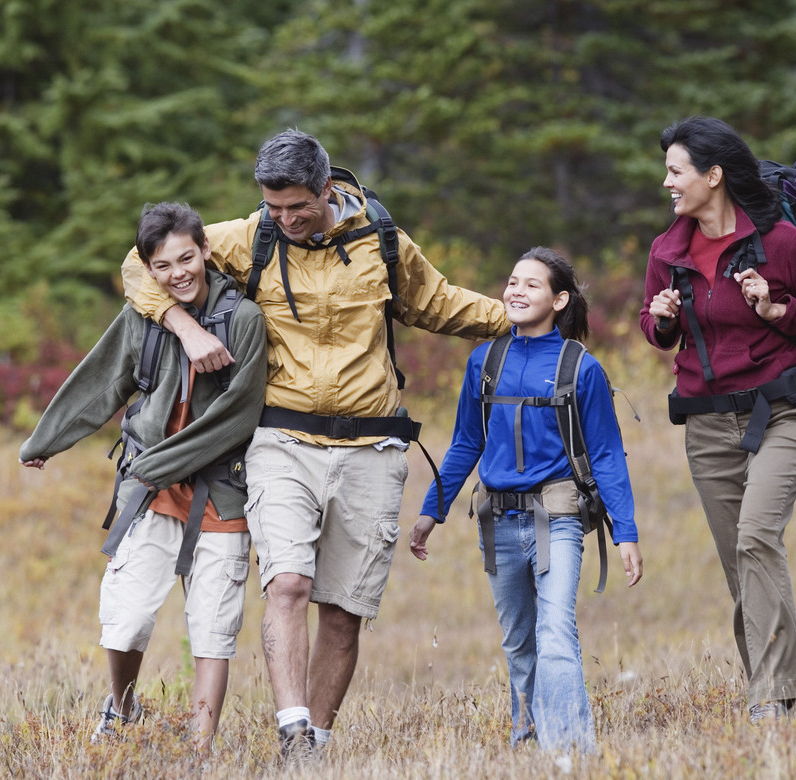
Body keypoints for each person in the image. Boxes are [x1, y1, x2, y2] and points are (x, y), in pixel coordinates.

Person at [119, 129, 510, 759]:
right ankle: (291, 724)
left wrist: (523, 318)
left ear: (327, 190)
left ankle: (315, 747)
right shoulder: (254, 237)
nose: (286, 219)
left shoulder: (382, 242)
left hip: (373, 448)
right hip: (281, 439)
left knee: (342, 609)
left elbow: (442, 304)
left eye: (297, 207)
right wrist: (184, 325)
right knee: (288, 584)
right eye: (274, 208)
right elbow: (141, 262)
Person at [19, 202, 267, 754]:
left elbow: (240, 413)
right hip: (151, 498)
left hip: (220, 494)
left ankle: (200, 750)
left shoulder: (244, 320)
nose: (179, 272)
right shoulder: (144, 317)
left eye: (187, 258)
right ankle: (123, 709)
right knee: (125, 619)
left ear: (206, 251)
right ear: (148, 270)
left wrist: (158, 464)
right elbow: (102, 378)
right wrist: (46, 441)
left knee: (213, 630)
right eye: (163, 265)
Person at [638, 117, 796, 724]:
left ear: (713, 176)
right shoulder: (667, 251)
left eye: (676, 171)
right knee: (742, 568)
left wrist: (775, 307)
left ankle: (772, 702)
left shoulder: (780, 242)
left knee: (757, 537)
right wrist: (661, 318)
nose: (667, 183)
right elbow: (657, 333)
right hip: (707, 426)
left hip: (783, 411)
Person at [408, 247, 643, 754]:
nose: (515, 291)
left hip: (557, 517)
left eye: (531, 285)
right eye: (512, 281)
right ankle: (526, 736)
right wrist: (432, 511)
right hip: (497, 520)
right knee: (519, 641)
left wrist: (626, 533)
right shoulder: (484, 360)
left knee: (556, 631)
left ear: (559, 300)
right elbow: (466, 443)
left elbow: (606, 455)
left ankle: (569, 749)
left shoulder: (581, 368)